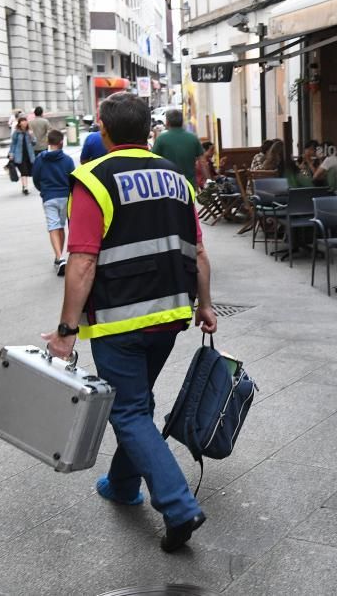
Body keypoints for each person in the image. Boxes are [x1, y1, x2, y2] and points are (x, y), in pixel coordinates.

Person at [42, 91, 217, 553]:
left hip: (120, 319)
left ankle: (178, 505)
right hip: (172, 315)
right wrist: (206, 305)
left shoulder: (94, 179)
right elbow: (198, 251)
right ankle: (121, 484)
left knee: (128, 410)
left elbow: (81, 262)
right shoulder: (178, 180)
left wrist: (66, 330)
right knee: (135, 404)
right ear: (149, 131)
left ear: (103, 128)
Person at [32, 129, 76, 276]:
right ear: (61, 142)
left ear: (48, 142)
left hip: (49, 196)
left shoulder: (40, 159)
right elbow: (73, 180)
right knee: (60, 226)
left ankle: (59, 257)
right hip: (65, 196)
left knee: (53, 226)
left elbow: (36, 178)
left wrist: (43, 190)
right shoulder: (68, 160)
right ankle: (59, 257)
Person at [151, 109, 204, 188]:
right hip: (189, 185)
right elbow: (203, 162)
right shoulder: (193, 138)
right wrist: (209, 179)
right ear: (182, 122)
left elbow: (153, 161)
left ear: (167, 122)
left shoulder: (161, 139)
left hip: (169, 185)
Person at [9, 117, 36, 195]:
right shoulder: (16, 133)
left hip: (29, 155)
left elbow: (34, 142)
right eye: (22, 122)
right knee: (23, 172)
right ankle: (25, 187)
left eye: (25, 121)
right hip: (19, 155)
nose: (24, 123)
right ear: (19, 123)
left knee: (29, 171)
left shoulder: (29, 132)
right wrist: (11, 154)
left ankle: (25, 186)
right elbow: (13, 144)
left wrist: (31, 135)